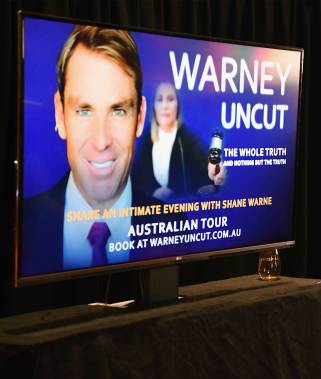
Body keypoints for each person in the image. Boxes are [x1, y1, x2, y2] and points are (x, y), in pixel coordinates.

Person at [22, 25, 164, 275]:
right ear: (60, 113)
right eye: (84, 110)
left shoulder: (174, 225)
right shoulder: (22, 226)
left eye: (118, 110)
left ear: (140, 117)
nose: (101, 142)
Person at [132, 82, 225, 202]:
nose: (165, 106)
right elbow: (135, 181)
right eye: (159, 100)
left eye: (170, 99)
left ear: (178, 106)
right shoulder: (145, 139)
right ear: (153, 106)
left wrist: (214, 169)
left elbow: (206, 168)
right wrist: (152, 193)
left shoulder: (188, 140)